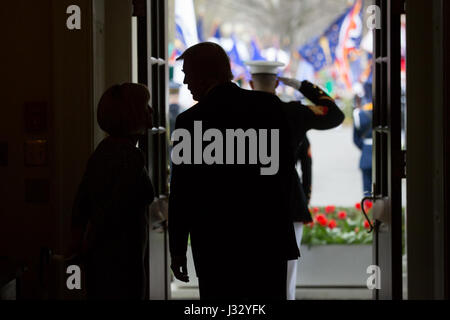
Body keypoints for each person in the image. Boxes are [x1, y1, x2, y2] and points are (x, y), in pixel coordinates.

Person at [168, 42, 299, 300]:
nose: (184, 82)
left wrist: (178, 251)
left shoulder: (189, 122)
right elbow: (285, 171)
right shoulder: (269, 108)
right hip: (267, 240)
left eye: (187, 73)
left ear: (205, 74)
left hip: (216, 245)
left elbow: (182, 194)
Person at [246, 60, 345, 300]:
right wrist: (302, 85)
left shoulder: (238, 113)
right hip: (287, 197)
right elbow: (335, 114)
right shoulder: (294, 112)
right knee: (286, 276)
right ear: (278, 83)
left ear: (250, 83)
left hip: (248, 199)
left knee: (250, 273)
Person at [69, 83, 155, 299]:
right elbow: (114, 209)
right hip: (121, 260)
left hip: (104, 258)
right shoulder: (130, 156)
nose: (151, 111)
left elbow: (82, 203)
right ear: (132, 114)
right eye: (146, 106)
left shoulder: (104, 149)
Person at [353, 94, 373, 197]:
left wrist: (365, 147)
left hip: (366, 152)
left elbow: (355, 139)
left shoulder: (359, 115)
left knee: (367, 190)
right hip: (383, 155)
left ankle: (369, 208)